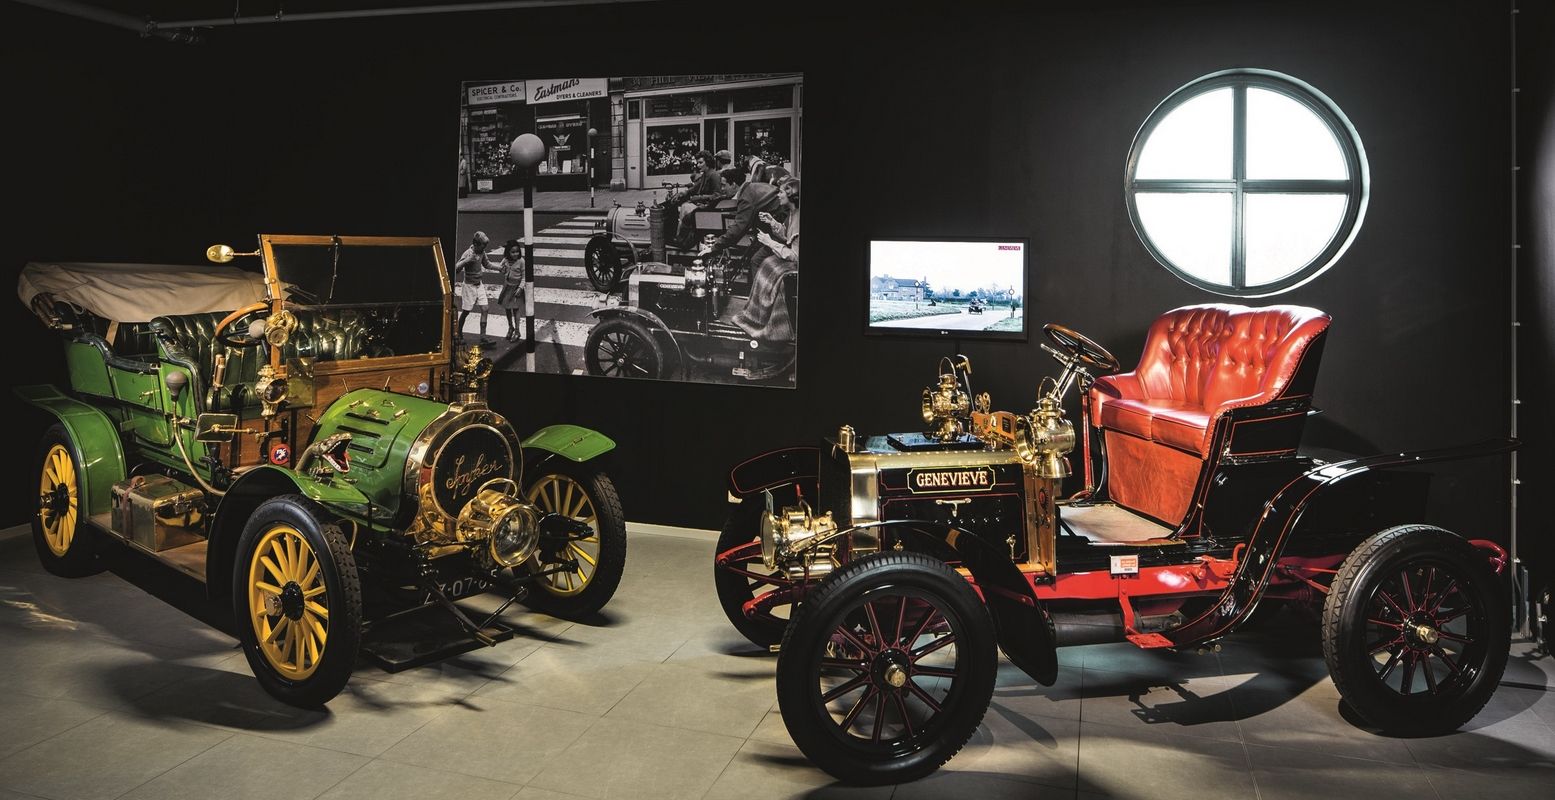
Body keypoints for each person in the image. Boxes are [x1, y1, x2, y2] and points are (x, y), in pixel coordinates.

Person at [732, 178, 800, 342]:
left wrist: (769, 241)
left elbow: (795, 256)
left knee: (767, 265)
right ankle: (759, 311)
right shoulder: (793, 213)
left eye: (782, 192)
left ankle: (763, 316)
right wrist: (772, 222)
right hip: (792, 257)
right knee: (765, 263)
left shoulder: (799, 217)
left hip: (796, 264)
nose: (778, 195)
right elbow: (787, 235)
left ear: (791, 195)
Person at [454, 231, 494, 344]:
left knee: (485, 309)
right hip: (469, 286)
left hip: (479, 284)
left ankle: (483, 336)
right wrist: (467, 260)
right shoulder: (468, 253)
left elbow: (487, 264)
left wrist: (499, 268)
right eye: (483, 246)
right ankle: (458, 334)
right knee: (466, 311)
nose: (484, 248)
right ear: (476, 244)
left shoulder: (482, 252)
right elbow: (456, 268)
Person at [496, 239, 526, 343]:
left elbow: (524, 277)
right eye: (512, 252)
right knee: (507, 308)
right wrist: (503, 270)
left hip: (516, 288)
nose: (515, 254)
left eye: (517, 251)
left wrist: (520, 288)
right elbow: (501, 269)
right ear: (508, 252)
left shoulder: (521, 261)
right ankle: (510, 327)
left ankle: (517, 331)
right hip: (507, 287)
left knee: (516, 310)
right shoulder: (505, 260)